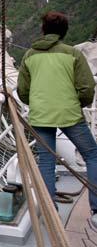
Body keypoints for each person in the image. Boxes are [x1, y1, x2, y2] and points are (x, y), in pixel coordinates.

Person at [17, 11, 97, 221]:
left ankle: (49, 211)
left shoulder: (29, 56)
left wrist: (37, 104)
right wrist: (77, 103)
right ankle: (96, 210)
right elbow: (87, 88)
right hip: (70, 114)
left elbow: (22, 90)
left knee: (46, 161)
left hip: (41, 115)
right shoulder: (73, 54)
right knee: (92, 156)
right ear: (64, 32)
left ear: (43, 30)